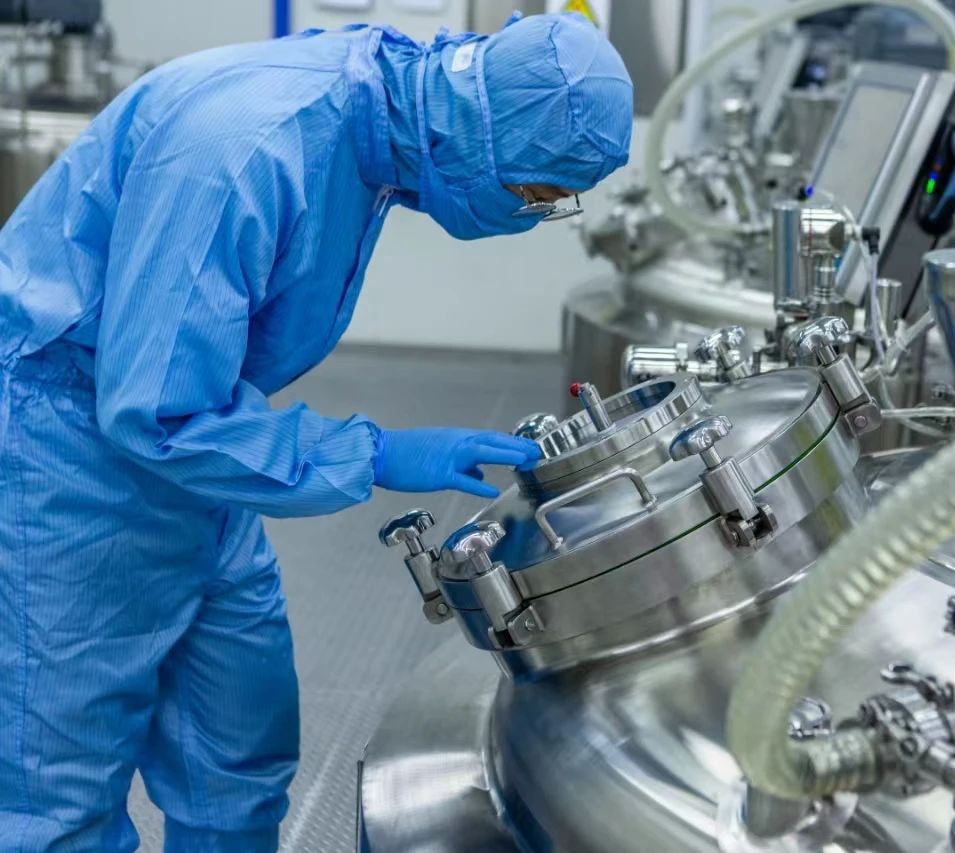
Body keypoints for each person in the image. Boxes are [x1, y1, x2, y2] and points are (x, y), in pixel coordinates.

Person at [0, 12, 632, 852]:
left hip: (208, 445)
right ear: (482, 136)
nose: (532, 212)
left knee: (237, 747)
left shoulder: (375, 119)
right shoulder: (248, 151)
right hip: (72, 460)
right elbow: (155, 410)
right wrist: (372, 452)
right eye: (536, 194)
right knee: (60, 789)